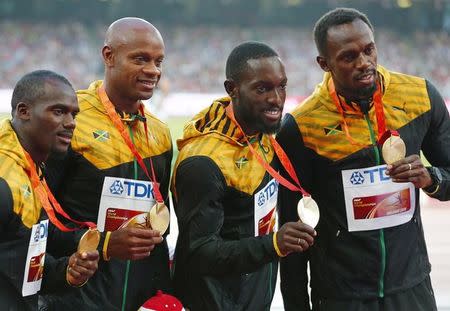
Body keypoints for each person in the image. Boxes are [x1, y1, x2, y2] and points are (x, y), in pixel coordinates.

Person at [277, 7, 450, 311]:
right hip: (341, 296)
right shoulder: (302, 127)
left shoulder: (420, 96)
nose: (364, 63)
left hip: (411, 288)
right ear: (324, 63)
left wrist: (430, 177)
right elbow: (294, 229)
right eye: (348, 57)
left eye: (369, 50)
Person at [171, 41, 316, 310]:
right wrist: (273, 244)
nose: (276, 99)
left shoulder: (264, 134)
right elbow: (199, 253)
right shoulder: (203, 163)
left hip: (254, 298)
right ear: (232, 89)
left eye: (281, 86)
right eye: (262, 89)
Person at [41, 18, 172, 310]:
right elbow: (36, 225)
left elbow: (162, 226)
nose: (153, 70)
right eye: (140, 59)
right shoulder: (70, 123)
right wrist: (106, 244)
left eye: (158, 61)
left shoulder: (161, 133)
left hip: (139, 300)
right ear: (109, 56)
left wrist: (162, 291)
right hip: (75, 299)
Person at [0, 70, 99, 310]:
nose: (71, 123)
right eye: (58, 111)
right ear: (23, 112)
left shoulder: (32, 168)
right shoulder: (4, 179)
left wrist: (67, 271)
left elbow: (17, 259)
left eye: (74, 114)